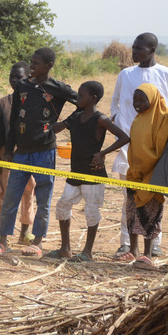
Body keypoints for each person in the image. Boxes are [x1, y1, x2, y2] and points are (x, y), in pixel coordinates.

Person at [0, 47, 77, 257]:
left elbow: (84, 103)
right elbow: (13, 121)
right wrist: (10, 149)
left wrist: (65, 123)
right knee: (11, 197)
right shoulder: (22, 86)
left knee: (43, 198)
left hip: (45, 151)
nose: (32, 66)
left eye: (36, 63)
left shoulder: (57, 88)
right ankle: (3, 240)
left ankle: (37, 242)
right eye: (31, 62)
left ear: (48, 66)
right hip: (21, 152)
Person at [47, 81, 129, 262]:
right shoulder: (76, 116)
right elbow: (59, 127)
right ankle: (65, 248)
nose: (78, 98)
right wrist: (55, 123)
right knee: (62, 206)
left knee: (91, 211)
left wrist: (102, 153)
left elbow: (124, 137)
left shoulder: (101, 119)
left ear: (93, 98)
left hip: (93, 173)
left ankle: (88, 252)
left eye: (81, 95)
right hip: (75, 171)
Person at [111, 33, 168, 257]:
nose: (134, 52)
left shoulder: (165, 74)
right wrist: (118, 120)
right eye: (133, 48)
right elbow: (115, 101)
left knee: (155, 196)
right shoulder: (125, 74)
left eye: (139, 49)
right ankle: (126, 242)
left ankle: (154, 243)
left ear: (152, 49)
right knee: (129, 196)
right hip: (129, 144)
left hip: (157, 149)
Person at [122, 84, 168, 268]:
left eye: (142, 100)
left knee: (150, 215)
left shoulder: (164, 119)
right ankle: (133, 250)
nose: (137, 103)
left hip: (154, 174)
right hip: (135, 173)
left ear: (154, 100)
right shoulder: (137, 119)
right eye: (135, 100)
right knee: (132, 213)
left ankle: (148, 254)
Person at [0, 62, 35, 245]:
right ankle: (0, 231)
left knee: (28, 190)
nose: (15, 80)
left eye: (19, 77)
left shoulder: (35, 100)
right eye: (12, 77)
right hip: (5, 153)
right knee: (2, 191)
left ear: (29, 77)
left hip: (26, 153)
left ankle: (25, 231)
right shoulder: (4, 102)